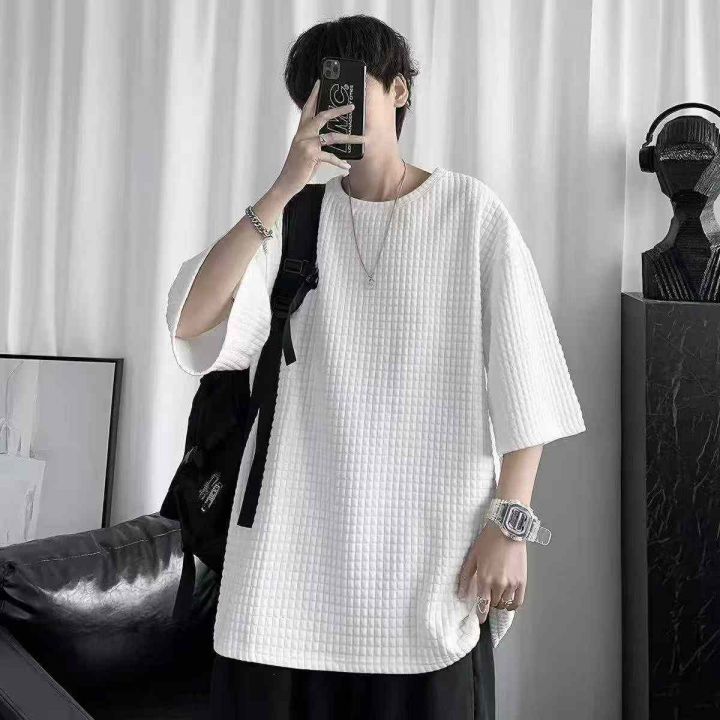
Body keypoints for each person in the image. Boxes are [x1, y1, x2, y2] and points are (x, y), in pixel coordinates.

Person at [165, 14, 586, 720]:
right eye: (316, 95)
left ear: (399, 90)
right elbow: (192, 320)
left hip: (428, 574)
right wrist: (283, 186)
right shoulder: (296, 218)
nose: (333, 109)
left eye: (348, 87)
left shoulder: (469, 213)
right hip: (283, 575)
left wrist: (509, 529)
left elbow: (528, 381)